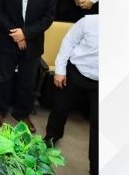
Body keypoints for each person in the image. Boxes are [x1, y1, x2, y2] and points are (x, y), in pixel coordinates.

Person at [0, 0, 56, 133]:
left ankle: (22, 113)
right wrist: (16, 34)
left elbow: (49, 17)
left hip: (33, 43)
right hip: (6, 40)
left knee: (28, 81)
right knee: (3, 78)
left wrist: (25, 34)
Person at [44, 14, 99, 175]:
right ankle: (52, 137)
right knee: (61, 108)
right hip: (77, 71)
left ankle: (96, 167)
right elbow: (68, 42)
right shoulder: (89, 21)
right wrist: (60, 70)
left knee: (99, 124)